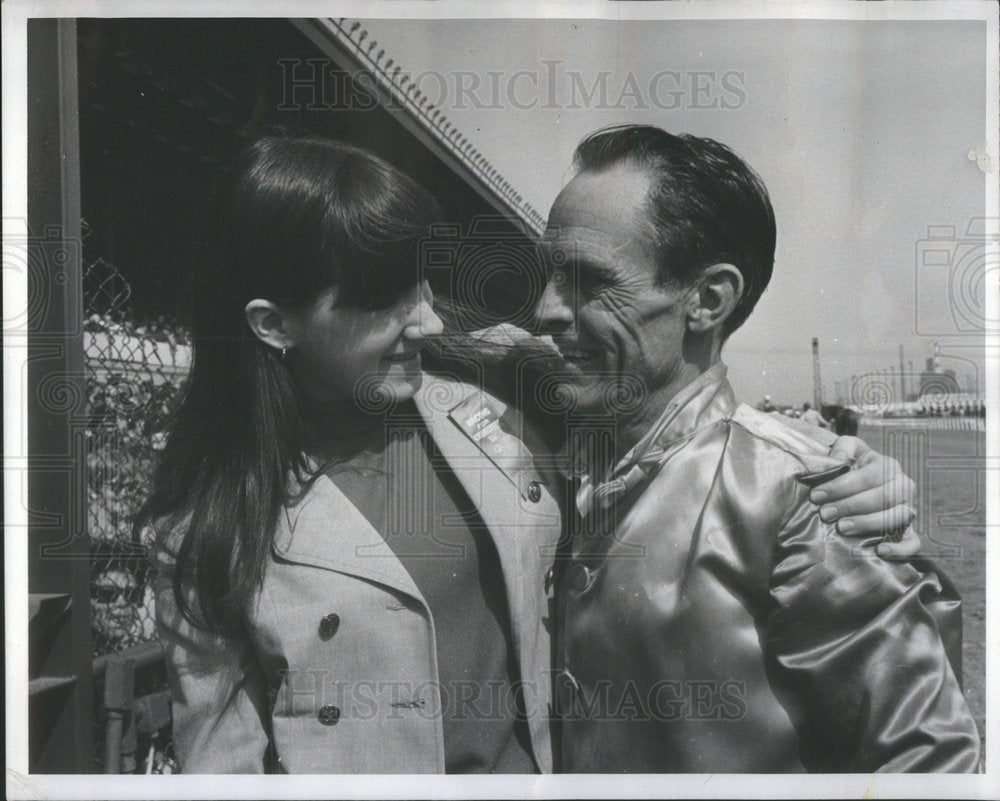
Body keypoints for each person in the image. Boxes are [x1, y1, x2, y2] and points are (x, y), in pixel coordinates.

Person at [141, 134, 923, 774]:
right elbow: (222, 763)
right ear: (274, 325)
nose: (422, 320)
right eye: (381, 301)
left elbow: (673, 409)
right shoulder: (207, 529)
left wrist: (836, 470)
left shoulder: (500, 406)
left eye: (421, 285)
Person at [535, 125, 980, 772]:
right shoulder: (553, 448)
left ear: (708, 299)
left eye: (589, 282)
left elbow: (930, 761)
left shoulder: (804, 496)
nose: (545, 309)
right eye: (549, 274)